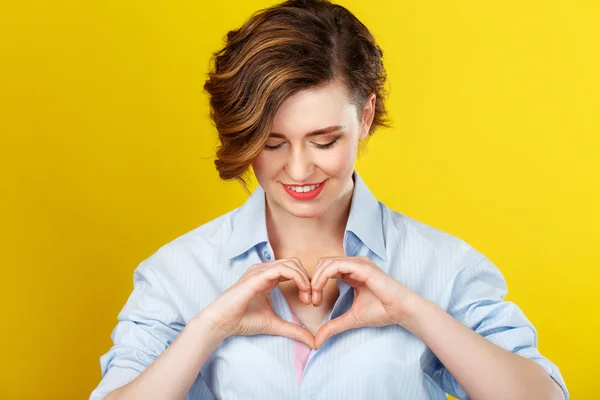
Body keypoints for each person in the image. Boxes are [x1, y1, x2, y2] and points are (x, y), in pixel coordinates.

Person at [90, 0, 569, 399]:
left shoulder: (442, 264)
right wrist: (208, 328)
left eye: (324, 141)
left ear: (365, 117)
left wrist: (415, 313)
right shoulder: (177, 272)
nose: (298, 170)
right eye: (273, 143)